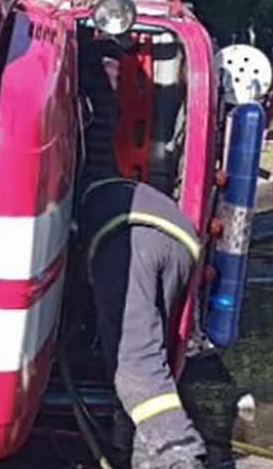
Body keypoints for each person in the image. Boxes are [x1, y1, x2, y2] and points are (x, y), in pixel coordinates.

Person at [75, 36, 207, 469]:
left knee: (136, 368)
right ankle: (130, 453)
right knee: (139, 353)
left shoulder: (67, 186)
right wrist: (102, 59)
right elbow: (101, 126)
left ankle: (181, 456)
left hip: (126, 238)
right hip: (178, 236)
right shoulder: (99, 168)